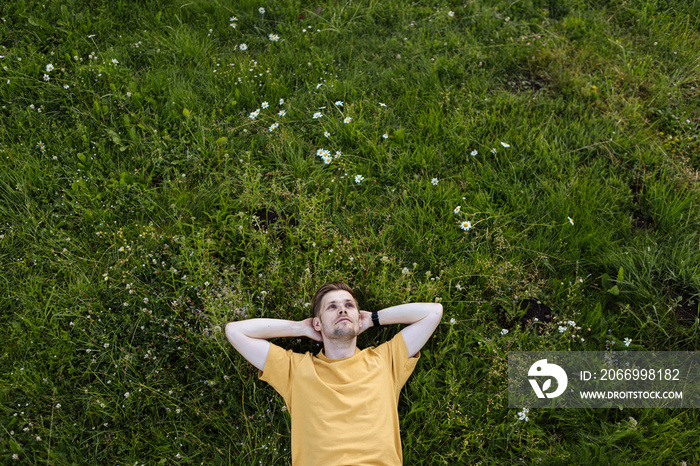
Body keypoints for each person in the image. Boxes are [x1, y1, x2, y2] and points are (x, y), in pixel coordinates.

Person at [225, 281, 443, 465]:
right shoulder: (295, 369)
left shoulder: (385, 360)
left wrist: (373, 318)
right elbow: (235, 331)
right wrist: (300, 328)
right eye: (332, 307)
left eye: (349, 305)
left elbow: (433, 312)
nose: (342, 309)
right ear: (317, 323)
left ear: (358, 317)